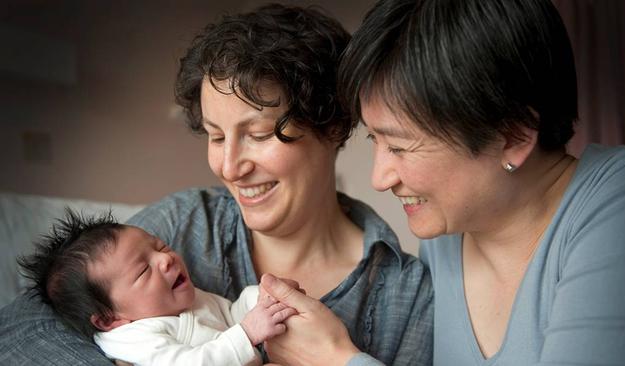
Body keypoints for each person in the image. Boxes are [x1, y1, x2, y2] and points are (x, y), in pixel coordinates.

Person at [0, 4, 433, 365]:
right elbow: (20, 332)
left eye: (259, 135)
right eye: (216, 135)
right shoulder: (186, 220)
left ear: (334, 126)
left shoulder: (404, 293)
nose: (229, 167)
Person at [260, 0, 625, 365]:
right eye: (374, 140)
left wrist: (336, 358)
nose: (379, 179)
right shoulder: (445, 239)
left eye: (399, 146)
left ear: (514, 135)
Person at [18, 209, 296, 365]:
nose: (165, 259)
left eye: (160, 246)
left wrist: (261, 300)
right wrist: (247, 333)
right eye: (142, 271)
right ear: (108, 318)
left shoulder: (185, 299)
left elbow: (231, 316)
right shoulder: (133, 338)